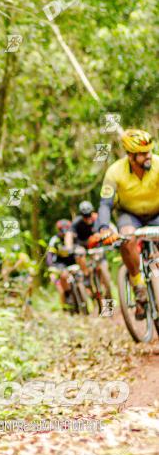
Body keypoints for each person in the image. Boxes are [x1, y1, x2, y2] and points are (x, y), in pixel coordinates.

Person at [96, 129, 159, 319]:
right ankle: (138, 283)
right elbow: (105, 204)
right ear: (131, 156)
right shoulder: (115, 172)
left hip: (157, 212)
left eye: (149, 151)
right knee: (127, 238)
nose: (148, 156)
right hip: (130, 215)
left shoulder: (157, 164)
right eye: (143, 154)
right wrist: (104, 228)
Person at [70, 200, 112, 298]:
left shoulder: (98, 218)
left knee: (103, 269)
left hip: (97, 246)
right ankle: (86, 276)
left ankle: (107, 294)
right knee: (79, 255)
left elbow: (110, 227)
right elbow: (69, 235)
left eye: (89, 215)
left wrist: (115, 236)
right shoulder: (77, 222)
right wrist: (69, 247)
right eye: (85, 216)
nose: (88, 218)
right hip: (83, 246)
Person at [46, 219, 76, 308]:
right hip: (60, 263)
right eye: (61, 231)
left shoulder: (74, 236)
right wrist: (51, 268)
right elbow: (49, 255)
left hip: (73, 260)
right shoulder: (54, 240)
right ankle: (67, 296)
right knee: (63, 278)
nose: (63, 233)